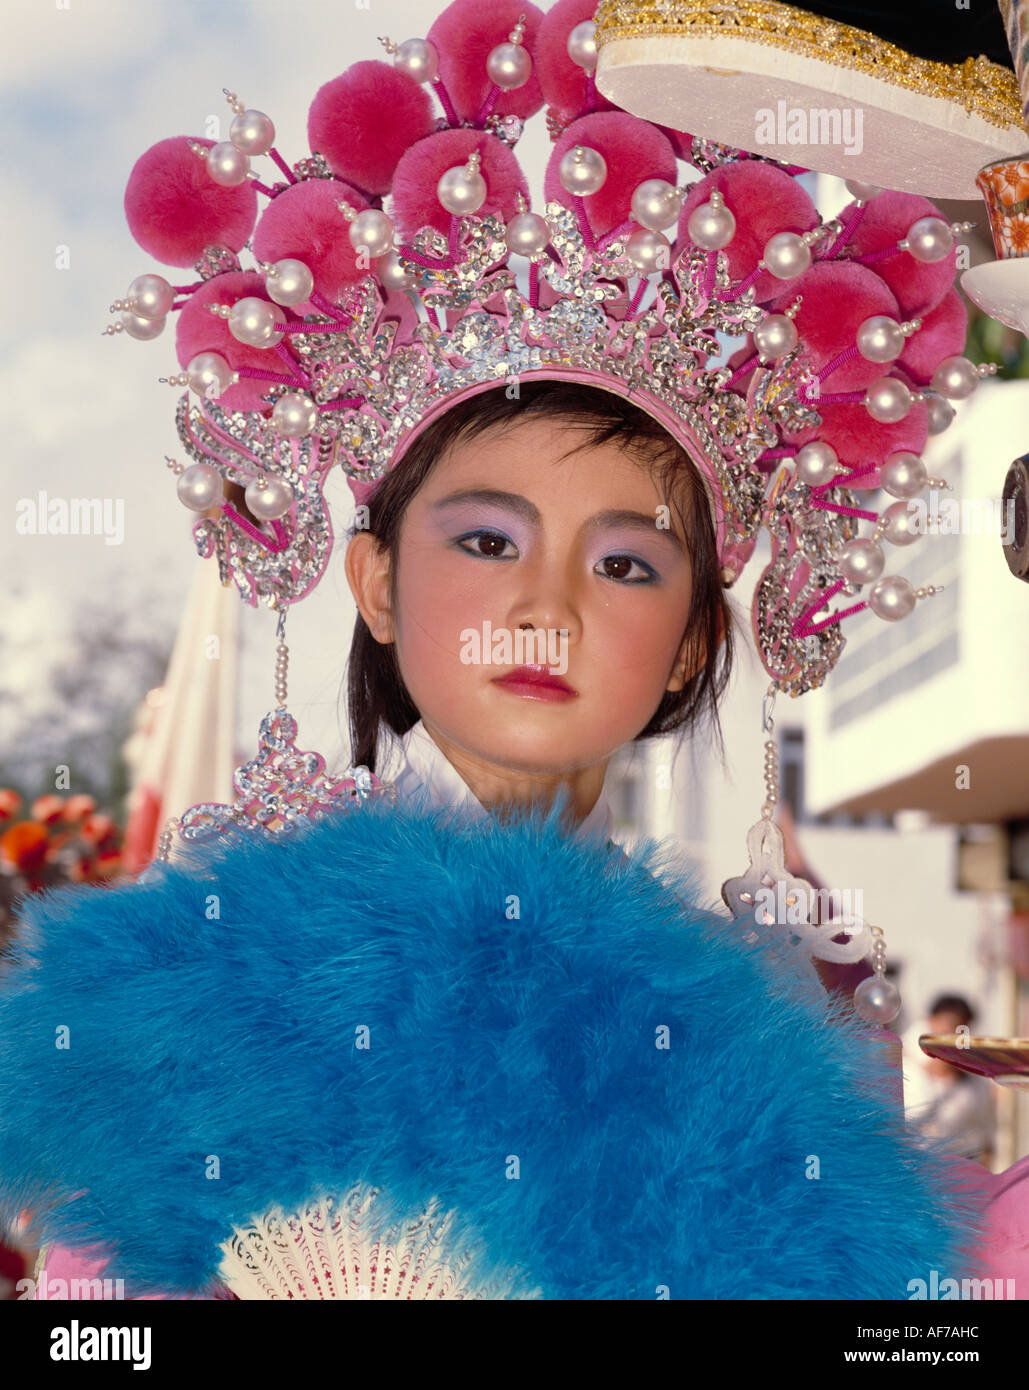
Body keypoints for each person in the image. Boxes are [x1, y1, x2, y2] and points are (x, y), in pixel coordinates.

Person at [0, 0, 1007, 1300]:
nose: (549, 605)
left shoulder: (779, 1002)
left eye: (627, 563)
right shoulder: (205, 971)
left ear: (698, 635)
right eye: (485, 542)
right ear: (373, 578)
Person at [905, 995, 996, 1166]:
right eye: (950, 1025)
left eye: (963, 1029)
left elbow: (986, 1141)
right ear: (931, 1022)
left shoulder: (976, 1085)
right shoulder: (907, 1072)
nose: (955, 1035)